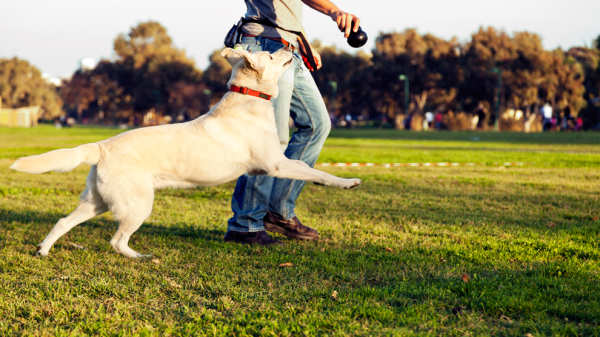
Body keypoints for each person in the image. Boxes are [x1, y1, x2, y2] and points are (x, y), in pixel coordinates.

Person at [224, 0, 362, 246]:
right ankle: (245, 225)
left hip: (289, 48)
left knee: (317, 124)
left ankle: (277, 212)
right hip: (264, 47)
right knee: (270, 140)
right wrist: (334, 11)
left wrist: (302, 41)